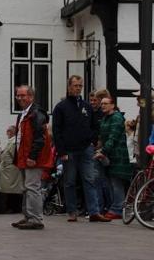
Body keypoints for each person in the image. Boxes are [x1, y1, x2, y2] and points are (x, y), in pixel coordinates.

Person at [52, 75, 110, 222]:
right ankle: (72, 211)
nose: (78, 88)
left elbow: (95, 126)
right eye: (75, 85)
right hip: (69, 150)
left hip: (86, 148)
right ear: (69, 87)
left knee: (90, 179)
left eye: (80, 86)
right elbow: (57, 131)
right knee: (70, 181)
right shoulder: (61, 107)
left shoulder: (86, 106)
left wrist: (93, 140)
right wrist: (62, 151)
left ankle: (94, 212)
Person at [11, 85, 54, 230]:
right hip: (24, 156)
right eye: (18, 95)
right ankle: (28, 216)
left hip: (32, 158)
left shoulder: (36, 114)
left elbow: (40, 137)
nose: (20, 98)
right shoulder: (24, 114)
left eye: (23, 95)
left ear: (31, 97)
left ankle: (35, 218)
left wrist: (33, 156)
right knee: (26, 188)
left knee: (32, 187)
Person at [95, 96, 132, 220]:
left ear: (112, 105)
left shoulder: (116, 118)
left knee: (116, 183)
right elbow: (102, 136)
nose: (103, 106)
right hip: (110, 155)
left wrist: (103, 151)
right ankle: (115, 207)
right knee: (111, 182)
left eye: (106, 103)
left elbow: (113, 137)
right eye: (102, 104)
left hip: (118, 155)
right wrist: (99, 148)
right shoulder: (105, 118)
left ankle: (117, 208)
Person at [0, 126, 23, 214]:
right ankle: (9, 207)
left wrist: (7, 164)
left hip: (10, 170)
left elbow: (14, 156)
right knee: (8, 189)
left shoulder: (14, 142)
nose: (6, 133)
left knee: (11, 189)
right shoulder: (11, 142)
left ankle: (13, 208)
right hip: (8, 170)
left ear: (10, 132)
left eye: (7, 131)